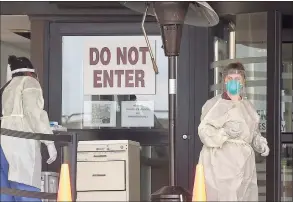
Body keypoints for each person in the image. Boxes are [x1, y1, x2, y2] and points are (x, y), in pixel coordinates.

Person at [197, 62, 269, 201]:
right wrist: (224, 133)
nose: (234, 82)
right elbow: (204, 131)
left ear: (243, 81)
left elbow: (252, 130)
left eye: (238, 79)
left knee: (245, 196)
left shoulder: (248, 106)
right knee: (225, 196)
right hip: (222, 162)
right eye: (230, 79)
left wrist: (259, 142)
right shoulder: (214, 104)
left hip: (245, 162)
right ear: (224, 81)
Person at [0, 56, 57, 201]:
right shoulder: (29, 82)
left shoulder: (6, 87)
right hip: (20, 143)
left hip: (2, 144)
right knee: (26, 188)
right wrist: (49, 141)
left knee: (6, 190)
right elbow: (34, 113)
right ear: (31, 73)